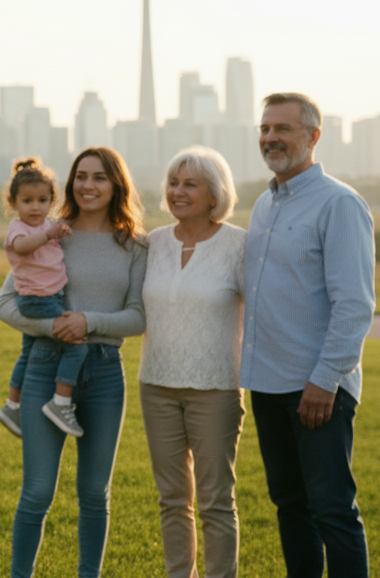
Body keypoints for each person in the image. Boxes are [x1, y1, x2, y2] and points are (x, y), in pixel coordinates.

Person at [0, 146, 147, 578]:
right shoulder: (49, 233)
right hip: (47, 365)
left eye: (99, 177)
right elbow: (6, 305)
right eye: (81, 176)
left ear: (116, 183)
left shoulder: (134, 245)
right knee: (37, 491)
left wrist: (88, 321)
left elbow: (138, 317)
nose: (88, 185)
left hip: (103, 373)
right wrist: (57, 328)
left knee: (95, 493)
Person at [245, 92, 374, 577]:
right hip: (267, 382)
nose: (270, 138)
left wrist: (324, 380)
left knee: (333, 511)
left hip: (318, 388)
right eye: (264, 129)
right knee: (289, 506)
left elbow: (355, 304)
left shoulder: (339, 204)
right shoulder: (264, 204)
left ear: (313, 137)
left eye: (283, 129)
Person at [139, 146, 247, 578]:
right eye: (173, 183)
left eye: (190, 184)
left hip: (216, 388)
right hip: (156, 385)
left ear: (215, 192)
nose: (178, 192)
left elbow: (261, 316)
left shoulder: (239, 244)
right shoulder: (154, 242)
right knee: (171, 499)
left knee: (216, 500)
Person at [0, 157, 82, 439]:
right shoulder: (19, 229)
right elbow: (21, 248)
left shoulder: (49, 226)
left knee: (28, 351)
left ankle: (12, 405)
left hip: (50, 296)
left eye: (42, 200)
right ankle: (60, 402)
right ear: (14, 203)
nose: (35, 207)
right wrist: (48, 234)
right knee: (77, 344)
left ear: (51, 201)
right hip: (38, 300)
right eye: (27, 200)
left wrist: (61, 232)